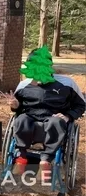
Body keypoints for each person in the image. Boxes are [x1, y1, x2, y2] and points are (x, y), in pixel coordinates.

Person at [10, 48, 85, 183]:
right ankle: (21, 157)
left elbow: (81, 104)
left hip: (53, 118)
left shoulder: (67, 83)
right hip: (30, 119)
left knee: (57, 122)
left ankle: (45, 161)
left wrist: (68, 116)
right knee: (21, 119)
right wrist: (15, 106)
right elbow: (18, 109)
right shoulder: (23, 85)